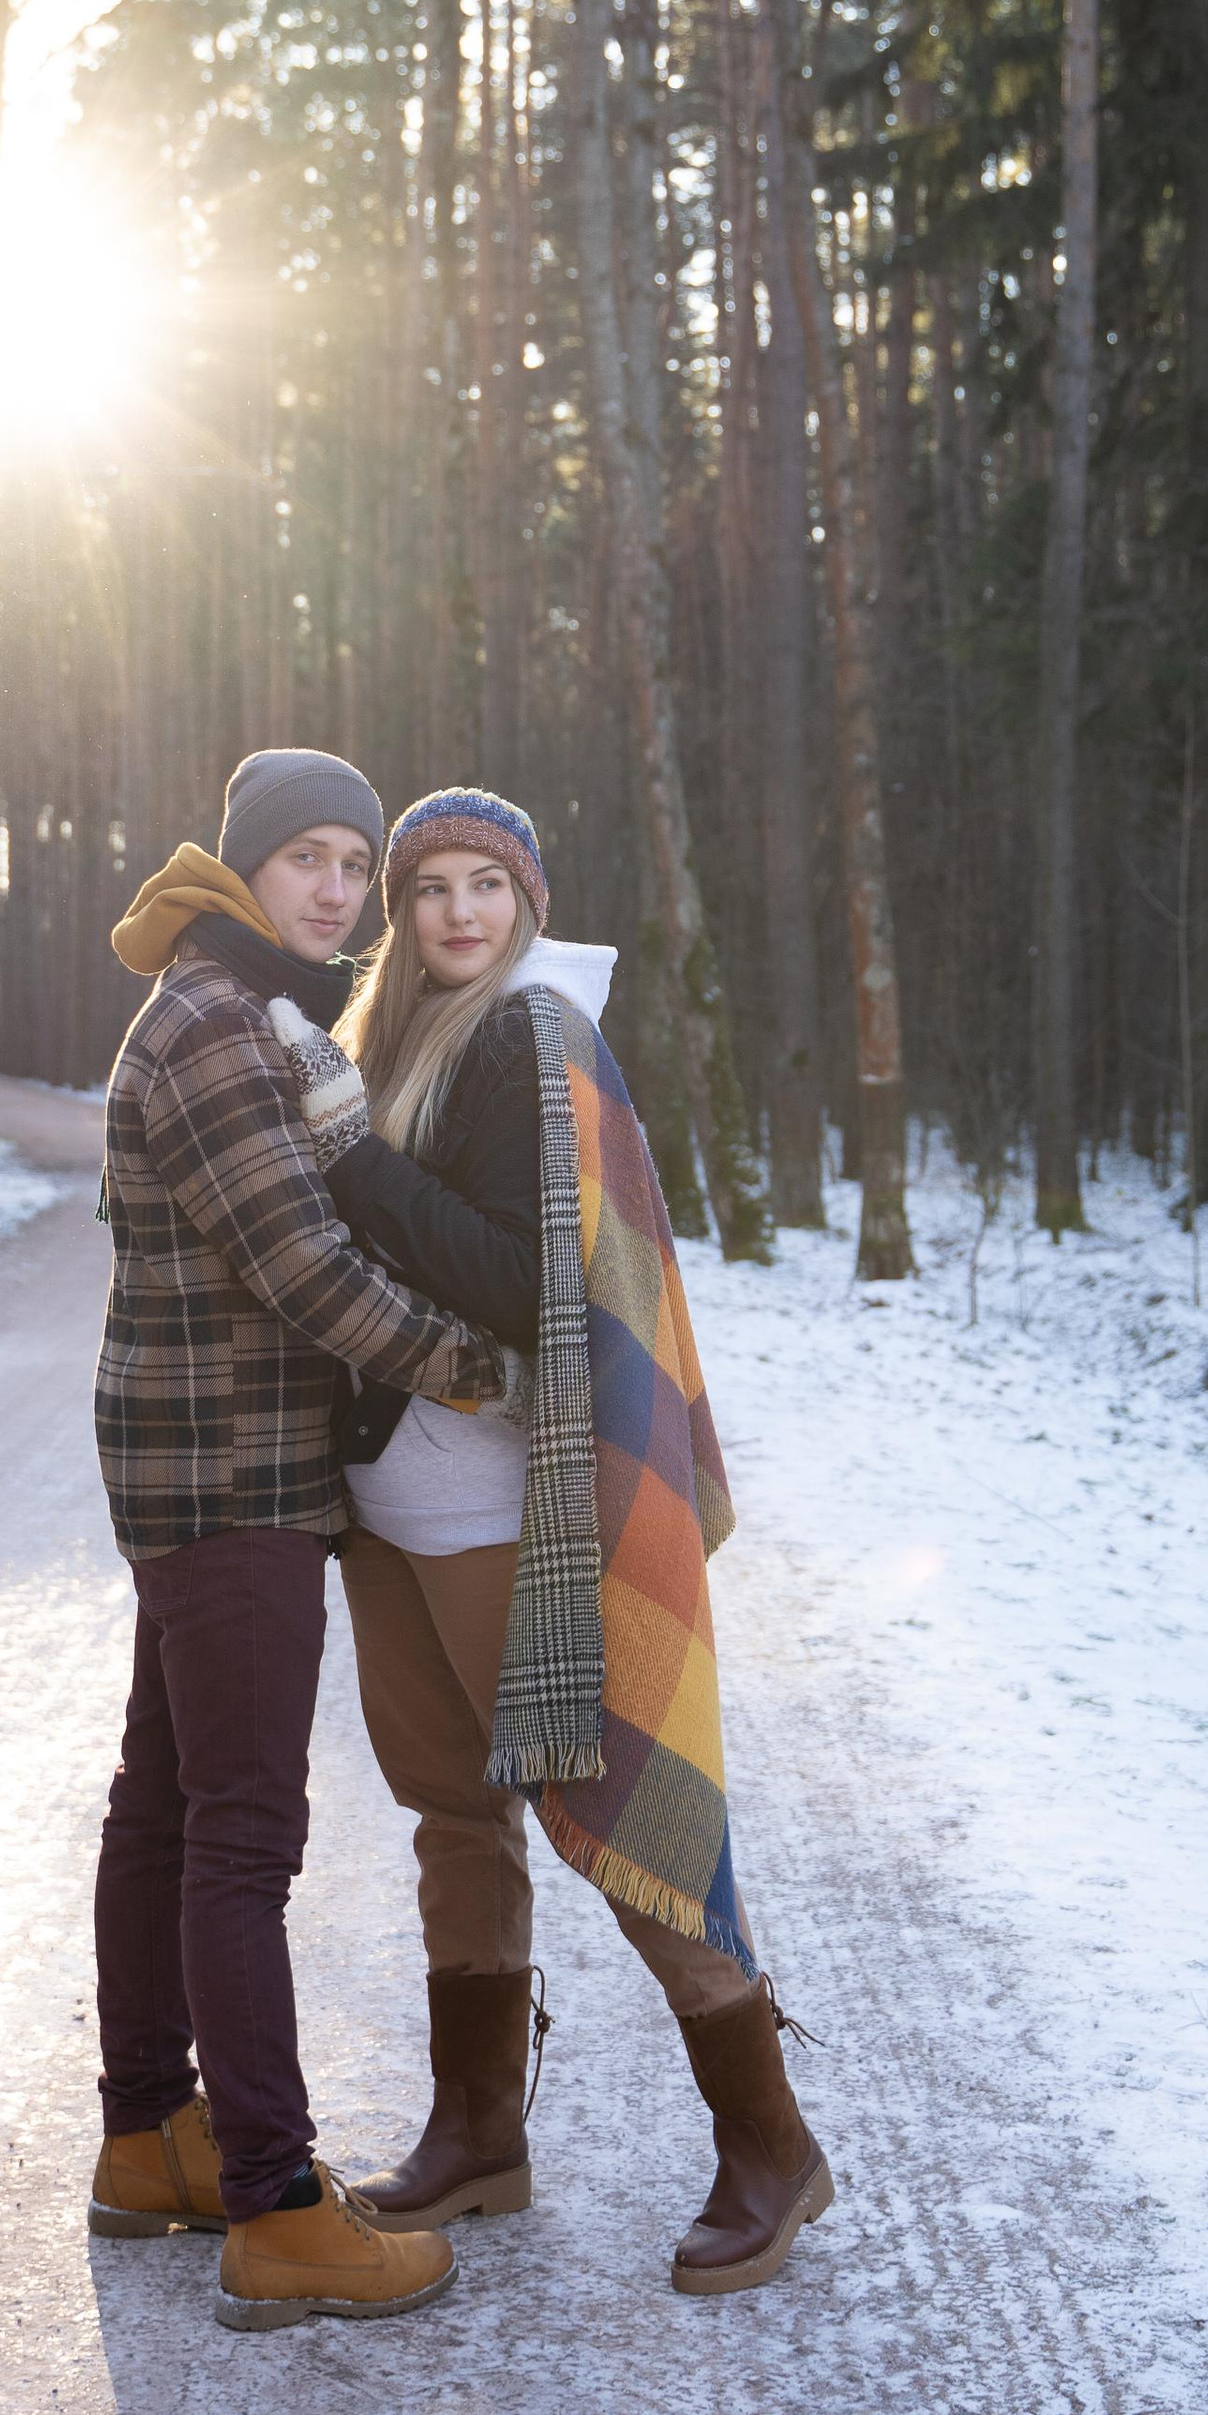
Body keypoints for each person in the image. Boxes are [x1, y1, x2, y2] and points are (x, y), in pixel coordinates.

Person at [265, 786, 831, 2298]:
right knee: (450, 1815)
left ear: (525, 900)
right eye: (430, 888)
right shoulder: (394, 1038)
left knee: (620, 1827)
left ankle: (771, 2145)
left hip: (501, 1504)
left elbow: (526, 1287)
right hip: (392, 1505)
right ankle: (479, 2133)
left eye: (485, 887)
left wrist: (353, 1161)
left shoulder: (529, 1037)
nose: (457, 914)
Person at [86, 747, 507, 2334]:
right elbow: (307, 1267)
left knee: (168, 1805)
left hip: (202, 1466)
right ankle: (271, 2204)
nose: (336, 891)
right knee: (243, 1836)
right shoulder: (211, 1026)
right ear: (247, 865)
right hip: (231, 1476)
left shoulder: (245, 1009)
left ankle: (150, 2137)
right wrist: (473, 1363)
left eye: (356, 865)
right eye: (311, 859)